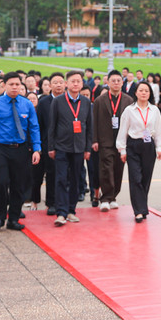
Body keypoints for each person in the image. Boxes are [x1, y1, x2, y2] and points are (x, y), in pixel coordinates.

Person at [0, 73, 41, 233]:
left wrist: (37, 148)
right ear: (5, 86)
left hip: (21, 149)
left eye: (17, 84)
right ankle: (0, 218)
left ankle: (13, 218)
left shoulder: (27, 104)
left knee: (18, 184)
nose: (14, 87)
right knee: (0, 182)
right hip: (0, 148)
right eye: (11, 84)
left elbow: (34, 127)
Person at [48, 70, 93, 226]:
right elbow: (52, 125)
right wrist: (51, 146)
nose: (75, 84)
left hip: (79, 148)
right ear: (66, 83)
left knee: (75, 180)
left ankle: (71, 211)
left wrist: (88, 148)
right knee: (61, 179)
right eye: (72, 81)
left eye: (78, 81)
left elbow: (89, 127)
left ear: (82, 84)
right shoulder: (58, 101)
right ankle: (61, 212)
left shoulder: (86, 102)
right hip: (61, 147)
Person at [116, 82, 161, 222]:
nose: (144, 93)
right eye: (141, 90)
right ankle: (139, 211)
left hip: (148, 145)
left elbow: (159, 130)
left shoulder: (154, 110)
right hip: (133, 145)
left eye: (146, 91)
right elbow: (123, 130)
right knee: (135, 178)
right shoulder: (129, 110)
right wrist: (122, 150)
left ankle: (142, 207)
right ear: (136, 93)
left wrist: (159, 148)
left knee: (145, 179)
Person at [94, 71, 134, 212]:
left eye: (118, 80)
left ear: (122, 83)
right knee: (106, 169)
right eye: (113, 80)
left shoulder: (129, 100)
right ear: (108, 82)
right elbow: (95, 121)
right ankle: (105, 199)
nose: (116, 83)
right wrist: (94, 140)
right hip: (105, 140)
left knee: (118, 170)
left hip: (122, 141)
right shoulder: (100, 100)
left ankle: (113, 196)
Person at [37, 72, 65, 215]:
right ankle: (51, 203)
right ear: (49, 85)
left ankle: (64, 203)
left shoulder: (69, 100)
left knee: (66, 175)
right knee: (51, 174)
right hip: (50, 144)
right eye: (55, 82)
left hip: (67, 144)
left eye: (61, 82)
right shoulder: (43, 102)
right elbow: (39, 125)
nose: (58, 85)